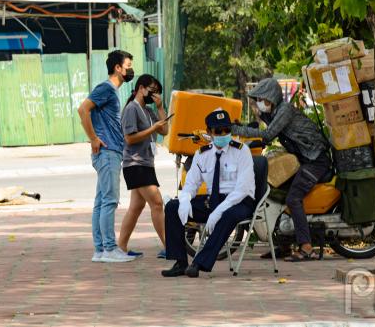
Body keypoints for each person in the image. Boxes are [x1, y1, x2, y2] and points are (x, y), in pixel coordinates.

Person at [232, 77, 332, 261]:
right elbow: (264, 132)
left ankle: (306, 247)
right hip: (303, 159)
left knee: (293, 198)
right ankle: (284, 245)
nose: (260, 103)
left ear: (272, 97)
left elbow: (268, 134)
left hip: (316, 160)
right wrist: (242, 127)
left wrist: (238, 130)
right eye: (258, 100)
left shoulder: (284, 110)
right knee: (276, 192)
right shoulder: (274, 113)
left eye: (262, 99)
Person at [162, 109, 255, 278]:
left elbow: (242, 189)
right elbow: (191, 183)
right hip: (214, 199)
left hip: (240, 201)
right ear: (209, 132)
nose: (223, 134)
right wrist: (185, 200)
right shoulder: (202, 155)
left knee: (228, 215)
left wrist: (219, 211)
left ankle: (199, 263)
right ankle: (180, 262)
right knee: (172, 207)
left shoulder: (242, 151)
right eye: (218, 131)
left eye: (227, 130)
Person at [78, 50, 137, 263]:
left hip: (110, 152)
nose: (131, 70)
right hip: (107, 151)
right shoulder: (106, 88)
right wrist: (93, 138)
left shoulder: (112, 91)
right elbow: (83, 109)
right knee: (109, 201)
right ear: (117, 68)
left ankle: (101, 250)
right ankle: (109, 249)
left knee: (102, 201)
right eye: (128, 66)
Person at [118, 74, 170, 258]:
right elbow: (129, 138)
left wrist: (160, 107)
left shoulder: (148, 111)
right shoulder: (132, 109)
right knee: (157, 203)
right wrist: (152, 129)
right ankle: (169, 246)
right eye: (152, 90)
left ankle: (121, 246)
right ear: (141, 88)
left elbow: (164, 129)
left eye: (157, 92)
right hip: (135, 164)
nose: (154, 94)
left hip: (146, 163)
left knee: (136, 207)